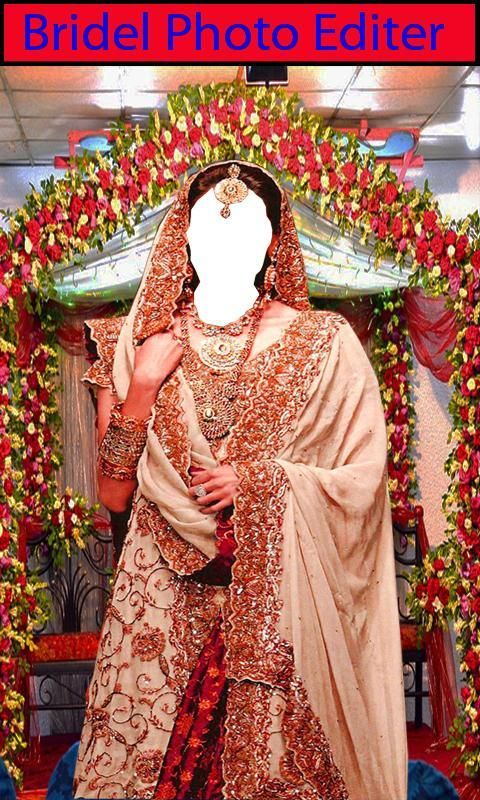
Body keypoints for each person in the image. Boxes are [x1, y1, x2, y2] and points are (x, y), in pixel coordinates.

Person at [72, 160, 408, 800]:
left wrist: (260, 483)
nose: (227, 242)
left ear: (273, 242)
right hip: (161, 608)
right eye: (209, 227)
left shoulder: (323, 343)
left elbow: (362, 480)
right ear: (185, 238)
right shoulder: (133, 341)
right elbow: (113, 493)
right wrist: (144, 385)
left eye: (247, 229)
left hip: (282, 604)